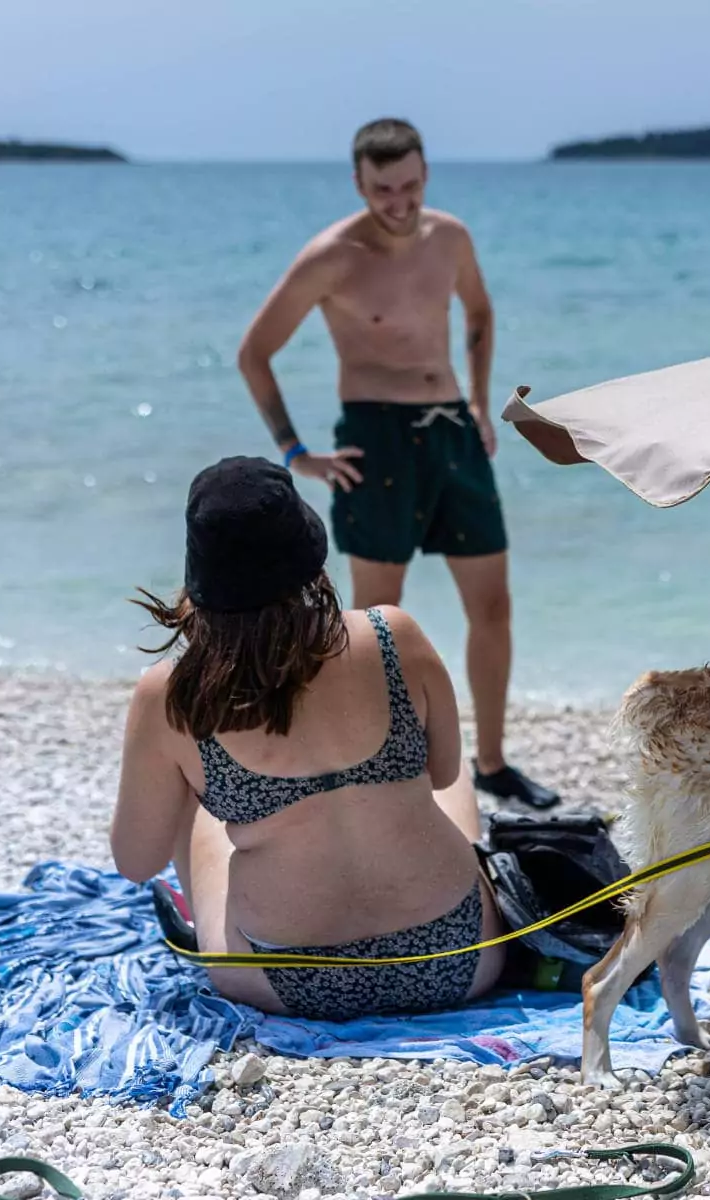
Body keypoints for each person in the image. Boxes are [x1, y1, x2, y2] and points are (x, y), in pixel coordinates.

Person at [235, 116, 556, 809]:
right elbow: (253, 352)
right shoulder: (331, 256)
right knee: (378, 620)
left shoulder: (452, 236)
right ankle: (375, 763)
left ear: (425, 175)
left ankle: (493, 765)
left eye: (410, 186)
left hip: (453, 434)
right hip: (375, 439)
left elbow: (478, 314)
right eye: (384, 190)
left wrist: (477, 400)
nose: (400, 202)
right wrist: (296, 453)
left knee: (494, 605)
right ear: (360, 184)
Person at [112, 456, 506, 1019]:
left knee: (192, 798)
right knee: (440, 777)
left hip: (290, 981)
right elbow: (442, 774)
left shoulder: (173, 694)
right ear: (308, 549)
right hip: (457, 957)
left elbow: (135, 860)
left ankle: (205, 910)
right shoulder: (392, 634)